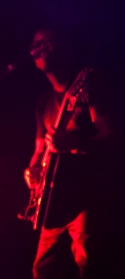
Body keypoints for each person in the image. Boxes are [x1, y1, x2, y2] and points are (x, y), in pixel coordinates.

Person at [23, 29, 117, 278]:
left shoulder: (88, 82)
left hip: (86, 196)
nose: (39, 46)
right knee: (42, 271)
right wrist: (31, 173)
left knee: (90, 266)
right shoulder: (42, 103)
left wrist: (74, 143)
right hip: (54, 203)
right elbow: (38, 151)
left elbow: (115, 137)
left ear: (65, 46)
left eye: (47, 41)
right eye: (35, 43)